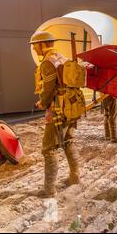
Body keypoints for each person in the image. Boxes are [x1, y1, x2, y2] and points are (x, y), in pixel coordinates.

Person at [30, 31, 81, 198]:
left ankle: (49, 189)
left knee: (48, 148)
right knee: (68, 141)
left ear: (42, 44)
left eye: (35, 45)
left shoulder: (47, 62)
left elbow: (48, 89)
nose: (34, 48)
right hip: (71, 106)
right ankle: (75, 177)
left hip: (58, 109)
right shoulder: (61, 57)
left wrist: (42, 103)